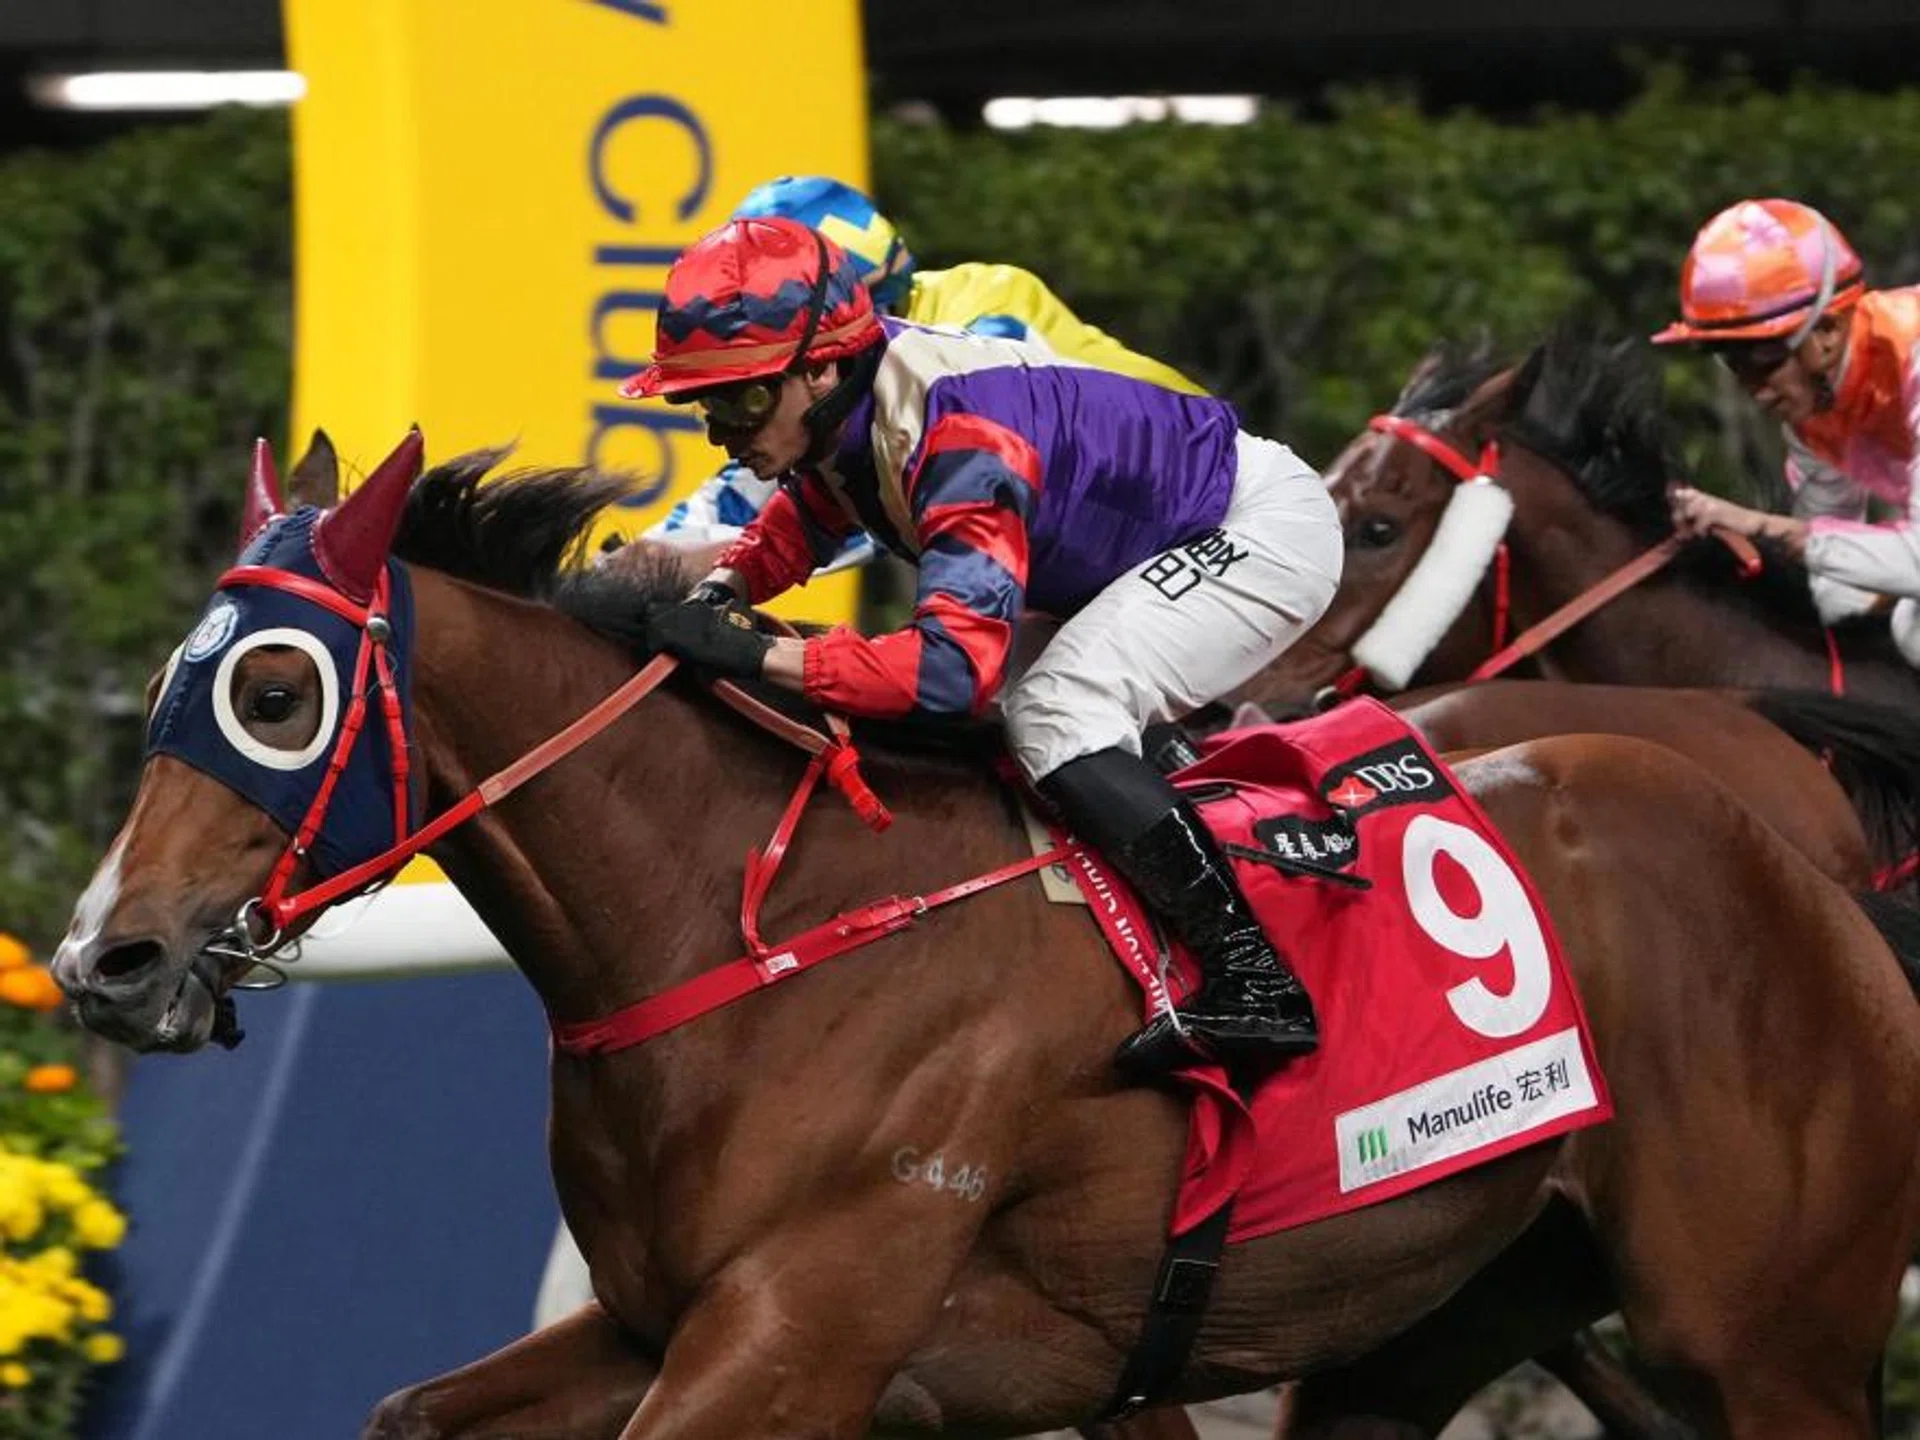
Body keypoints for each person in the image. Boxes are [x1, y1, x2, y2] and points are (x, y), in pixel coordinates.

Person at [620, 216, 1341, 1078]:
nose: (718, 434)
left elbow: (948, 676)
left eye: (737, 401)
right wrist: (723, 588)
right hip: (1150, 538)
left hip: (1256, 528)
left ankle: (1255, 981)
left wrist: (755, 654)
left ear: (819, 366)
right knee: (1037, 705)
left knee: (1053, 709)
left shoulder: (959, 435)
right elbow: (810, 515)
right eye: (701, 404)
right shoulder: (849, 397)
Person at [643, 176, 1203, 573]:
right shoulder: (867, 352)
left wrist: (701, 563)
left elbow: (912, 497)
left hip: (1189, 500)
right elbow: (764, 477)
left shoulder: (991, 319)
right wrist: (641, 554)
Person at [1655, 198, 1920, 660]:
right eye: (1735, 364)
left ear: (1828, 332)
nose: (1757, 392)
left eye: (1764, 360)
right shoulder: (1813, 412)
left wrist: (1755, 524)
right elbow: (1830, 577)